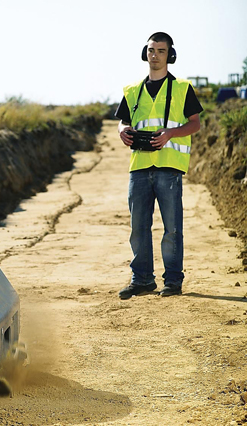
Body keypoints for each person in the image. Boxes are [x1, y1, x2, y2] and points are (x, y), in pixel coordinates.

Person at [115, 32, 203, 299]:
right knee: (138, 227)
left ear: (170, 55)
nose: (155, 55)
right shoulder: (132, 91)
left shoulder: (182, 89)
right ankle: (142, 279)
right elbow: (122, 121)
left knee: (172, 228)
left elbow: (195, 123)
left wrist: (169, 135)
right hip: (139, 167)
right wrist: (122, 130)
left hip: (169, 167)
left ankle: (173, 281)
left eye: (161, 51)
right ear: (145, 53)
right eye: (151, 50)